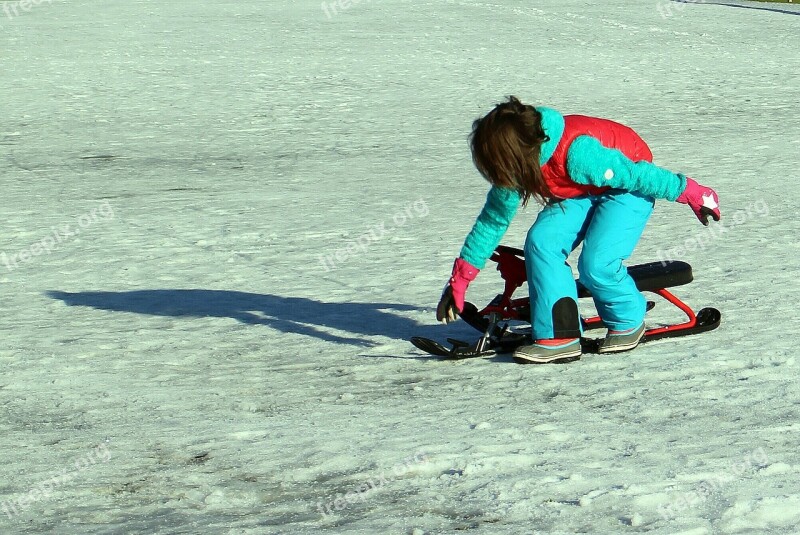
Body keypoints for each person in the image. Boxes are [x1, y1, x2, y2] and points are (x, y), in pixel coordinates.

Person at [436, 96, 720, 363]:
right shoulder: (516, 169)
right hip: (580, 188)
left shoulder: (579, 154)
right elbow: (492, 221)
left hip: (627, 185)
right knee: (542, 242)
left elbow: (638, 175)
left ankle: (628, 320)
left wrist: (693, 193)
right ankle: (560, 335)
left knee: (597, 262)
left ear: (517, 153)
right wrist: (459, 281)